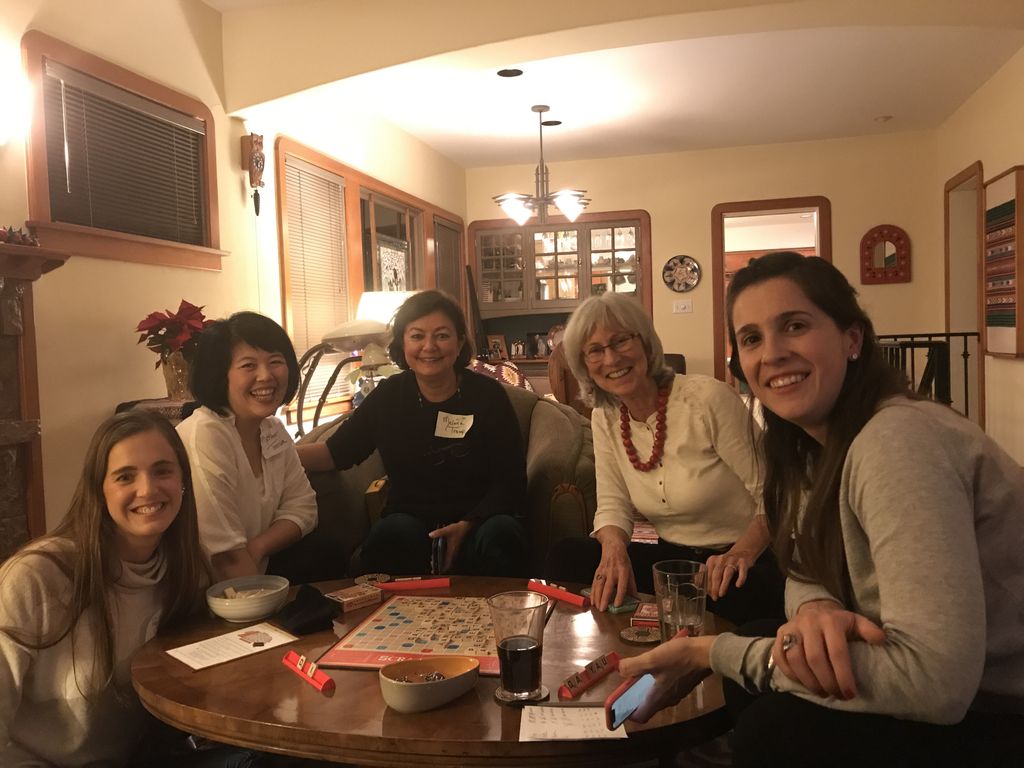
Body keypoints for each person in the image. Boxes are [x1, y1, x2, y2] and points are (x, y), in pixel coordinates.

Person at [616, 252, 1024, 767]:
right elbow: (804, 566)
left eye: (795, 326)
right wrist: (817, 609)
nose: (773, 353)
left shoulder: (897, 442)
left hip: (1000, 708)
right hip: (956, 688)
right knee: (760, 653)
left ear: (852, 339)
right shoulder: (810, 446)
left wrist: (708, 653)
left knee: (776, 727)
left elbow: (935, 684)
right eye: (752, 338)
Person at [545, 292, 783, 625]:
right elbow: (613, 502)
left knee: (734, 596)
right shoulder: (605, 416)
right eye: (595, 350)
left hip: (742, 559)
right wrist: (614, 552)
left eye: (620, 341)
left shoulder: (707, 399)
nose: (611, 359)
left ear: (645, 343)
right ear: (584, 364)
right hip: (673, 565)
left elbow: (777, 492)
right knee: (568, 555)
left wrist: (741, 553)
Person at [0, 411, 209, 765]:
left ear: (184, 482)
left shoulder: (189, 572)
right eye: (125, 476)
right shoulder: (35, 577)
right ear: (100, 490)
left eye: (163, 470)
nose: (148, 489)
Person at [298, 290, 528, 577]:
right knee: (391, 534)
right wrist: (270, 453)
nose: (429, 346)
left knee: (502, 533)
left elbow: (512, 479)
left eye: (442, 335)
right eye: (417, 336)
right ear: (402, 344)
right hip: (411, 522)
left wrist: (470, 523)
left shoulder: (487, 396)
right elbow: (337, 452)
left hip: (479, 522)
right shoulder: (390, 396)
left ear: (459, 343)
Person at [177, 312, 317, 581]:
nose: (265, 376)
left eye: (275, 362)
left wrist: (257, 547)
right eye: (248, 365)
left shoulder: (271, 429)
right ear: (221, 376)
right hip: (208, 587)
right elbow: (224, 555)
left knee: (322, 551)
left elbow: (305, 508)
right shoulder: (206, 435)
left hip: (255, 564)